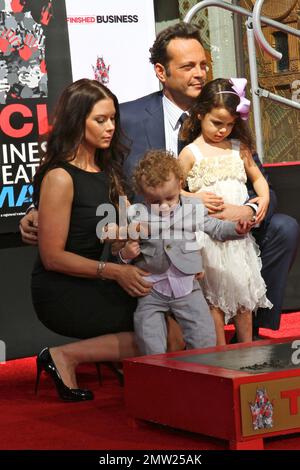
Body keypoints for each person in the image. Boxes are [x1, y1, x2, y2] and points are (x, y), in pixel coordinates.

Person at [20, 22, 299, 334]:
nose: (200, 73)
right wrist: (36, 209)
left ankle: (252, 330)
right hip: (154, 231)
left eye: (203, 64)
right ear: (161, 72)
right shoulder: (125, 117)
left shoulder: (225, 114)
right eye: (188, 66)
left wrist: (247, 210)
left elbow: (263, 186)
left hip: (221, 224)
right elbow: (80, 165)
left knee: (284, 227)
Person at [31, 78, 153, 402]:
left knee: (177, 312)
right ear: (76, 121)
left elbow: (127, 229)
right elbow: (52, 258)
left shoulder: (110, 172)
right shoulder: (60, 177)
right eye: (100, 120)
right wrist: (115, 272)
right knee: (162, 329)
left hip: (105, 278)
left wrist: (134, 243)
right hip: (64, 288)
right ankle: (62, 357)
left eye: (113, 118)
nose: (110, 127)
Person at [118, 150, 252, 354]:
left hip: (187, 286)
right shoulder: (136, 214)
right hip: (150, 289)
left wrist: (236, 229)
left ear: (181, 184)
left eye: (170, 198)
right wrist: (126, 254)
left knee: (204, 336)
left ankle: (204, 372)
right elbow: (117, 249)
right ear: (143, 196)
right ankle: (157, 374)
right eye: (155, 202)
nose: (163, 206)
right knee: (149, 337)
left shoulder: (193, 207)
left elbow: (215, 227)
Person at [178, 78, 273, 345]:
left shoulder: (238, 148)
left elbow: (257, 178)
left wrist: (262, 197)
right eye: (216, 123)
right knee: (214, 299)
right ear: (200, 115)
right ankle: (220, 353)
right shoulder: (190, 153)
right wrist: (194, 196)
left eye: (230, 124)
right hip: (207, 238)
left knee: (243, 294)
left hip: (239, 238)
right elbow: (171, 190)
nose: (223, 130)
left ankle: (247, 348)